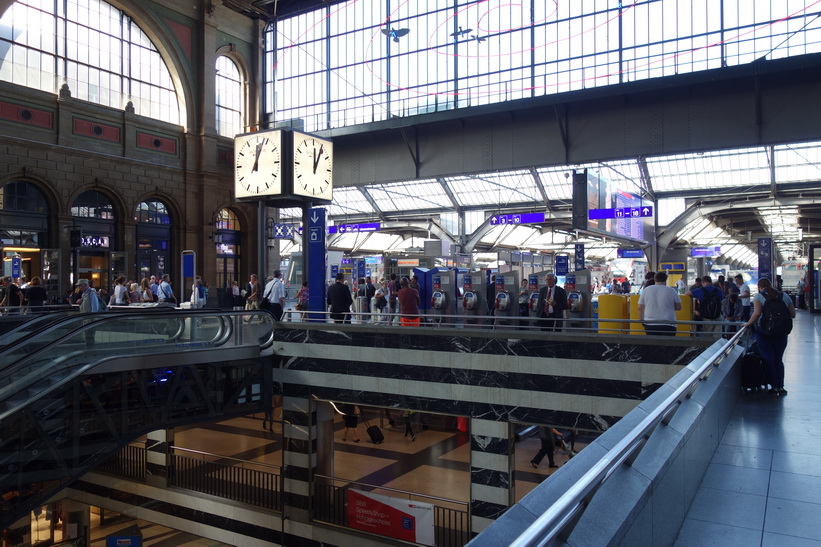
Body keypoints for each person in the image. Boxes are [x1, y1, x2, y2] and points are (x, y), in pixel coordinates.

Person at [744, 278, 796, 396]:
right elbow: (793, 314)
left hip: (764, 333)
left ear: (759, 287)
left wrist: (748, 323)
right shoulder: (784, 296)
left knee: (769, 359)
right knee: (778, 360)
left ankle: (773, 387)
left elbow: (757, 313)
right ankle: (781, 387)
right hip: (781, 332)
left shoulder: (758, 297)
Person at [638, 272, 682, 336]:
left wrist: (642, 320)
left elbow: (640, 307)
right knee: (667, 344)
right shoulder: (672, 290)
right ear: (665, 279)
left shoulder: (646, 290)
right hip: (668, 323)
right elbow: (679, 307)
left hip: (650, 323)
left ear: (654, 279)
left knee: (653, 344)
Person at [76, 278, 100, 346]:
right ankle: (89, 347)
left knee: (90, 335)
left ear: (85, 285)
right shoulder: (84, 294)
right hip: (85, 317)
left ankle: (90, 348)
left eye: (80, 285)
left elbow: (94, 306)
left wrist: (93, 318)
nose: (79, 287)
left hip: (90, 319)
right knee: (87, 335)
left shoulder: (91, 293)